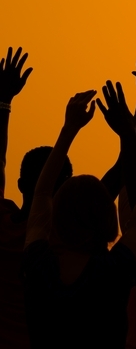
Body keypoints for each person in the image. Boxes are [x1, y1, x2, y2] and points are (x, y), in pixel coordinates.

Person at [22, 88, 136, 348]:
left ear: (57, 219)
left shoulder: (37, 263)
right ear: (107, 219)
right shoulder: (114, 269)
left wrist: (69, 128)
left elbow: (41, 192)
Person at [0, 48, 71, 349]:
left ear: (20, 184)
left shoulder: (3, 224)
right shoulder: (64, 242)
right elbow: (123, 180)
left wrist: (4, 103)